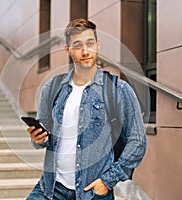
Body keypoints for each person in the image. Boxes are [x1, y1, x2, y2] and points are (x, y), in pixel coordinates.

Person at [26, 18, 146, 200]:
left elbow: (137, 141)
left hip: (92, 192)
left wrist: (108, 181)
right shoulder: (52, 88)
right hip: (51, 188)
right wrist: (38, 139)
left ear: (97, 45)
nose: (85, 51)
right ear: (68, 50)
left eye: (90, 44)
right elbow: (44, 138)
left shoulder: (118, 90)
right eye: (77, 45)